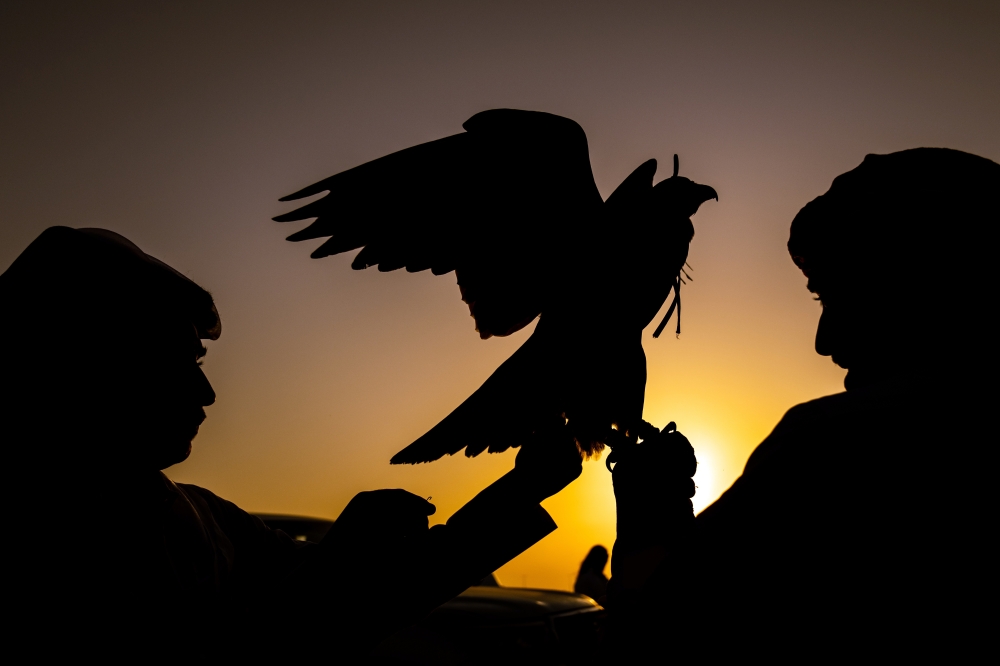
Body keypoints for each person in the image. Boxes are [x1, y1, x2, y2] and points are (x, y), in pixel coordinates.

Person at [0, 227, 583, 658]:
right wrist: (339, 558)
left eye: (197, 359)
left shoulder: (204, 518)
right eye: (170, 360)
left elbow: (369, 599)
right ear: (79, 361)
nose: (204, 392)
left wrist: (523, 487)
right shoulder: (38, 540)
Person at [605, 148, 996, 659]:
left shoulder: (832, 447)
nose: (823, 340)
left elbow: (659, 647)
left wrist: (648, 524)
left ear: (922, 284)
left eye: (832, 296)